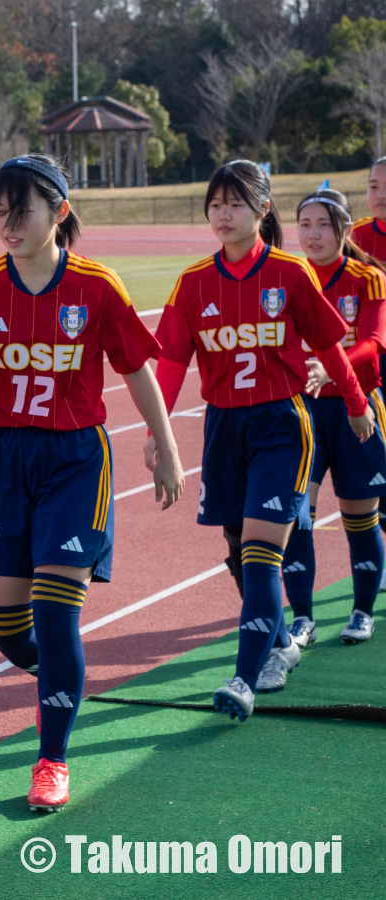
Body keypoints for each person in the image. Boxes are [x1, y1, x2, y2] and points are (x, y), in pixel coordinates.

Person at [0, 154, 184, 813]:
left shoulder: (96, 287)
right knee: (5, 627)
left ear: (60, 211)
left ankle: (52, 757)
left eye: (21, 209)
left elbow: (138, 369)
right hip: (3, 460)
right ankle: (59, 677)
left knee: (57, 613)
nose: (8, 223)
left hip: (74, 461)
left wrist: (163, 446)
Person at [151, 160, 374, 723]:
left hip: (282, 426)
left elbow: (330, 349)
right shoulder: (192, 282)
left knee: (259, 553)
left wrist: (354, 405)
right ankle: (279, 644)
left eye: (236, 205)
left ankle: (244, 679)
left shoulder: (291, 275)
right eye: (216, 205)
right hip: (223, 429)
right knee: (237, 549)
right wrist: (159, 432)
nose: (224, 216)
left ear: (262, 210)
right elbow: (173, 363)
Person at [279, 188, 386, 662]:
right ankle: (303, 616)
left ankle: (362, 609)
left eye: (323, 224)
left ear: (343, 229)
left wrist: (331, 364)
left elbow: (376, 341)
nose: (313, 234)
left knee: (359, 515)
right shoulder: (284, 276)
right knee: (296, 513)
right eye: (304, 224)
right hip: (300, 412)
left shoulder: (367, 277)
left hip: (354, 407)